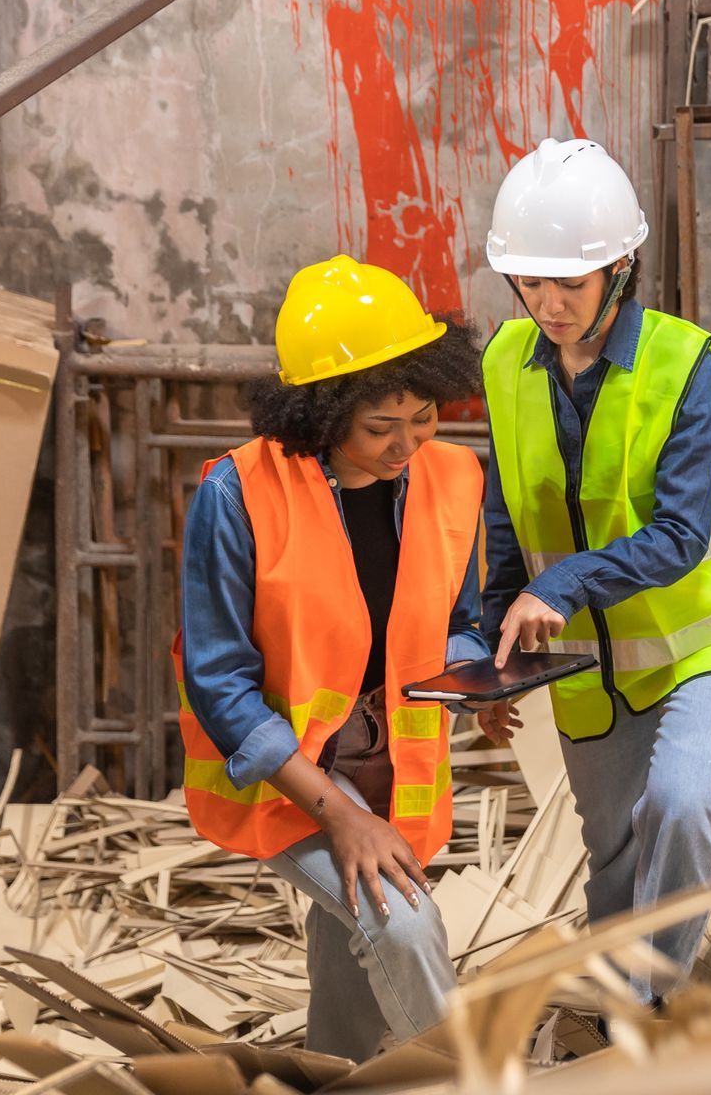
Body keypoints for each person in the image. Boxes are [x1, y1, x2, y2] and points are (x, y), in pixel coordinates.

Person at [174, 255, 513, 1060]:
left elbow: (455, 622)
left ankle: (333, 1072)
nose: (407, 444)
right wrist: (342, 815)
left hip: (394, 766)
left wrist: (478, 681)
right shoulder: (237, 494)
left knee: (352, 950)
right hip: (290, 775)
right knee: (404, 925)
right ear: (320, 414)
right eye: (379, 427)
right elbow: (219, 683)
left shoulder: (453, 477)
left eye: (423, 416)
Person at [479, 138, 711, 1002]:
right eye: (528, 282)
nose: (547, 304)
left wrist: (560, 587)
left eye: (569, 283)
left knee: (684, 806)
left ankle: (645, 1017)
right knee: (613, 857)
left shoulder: (690, 369)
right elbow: (505, 514)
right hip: (591, 660)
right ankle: (620, 1005)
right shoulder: (506, 363)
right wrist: (487, 652)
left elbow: (682, 534)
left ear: (621, 269)